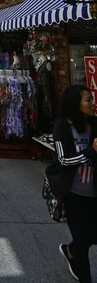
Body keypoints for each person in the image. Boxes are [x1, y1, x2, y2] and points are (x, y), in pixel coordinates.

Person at [49, 85, 97, 283]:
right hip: (73, 193)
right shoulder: (62, 125)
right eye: (88, 100)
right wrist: (90, 152)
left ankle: (70, 250)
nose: (93, 103)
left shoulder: (95, 124)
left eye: (92, 99)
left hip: (94, 192)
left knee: (92, 236)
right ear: (76, 104)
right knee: (83, 241)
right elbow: (63, 160)